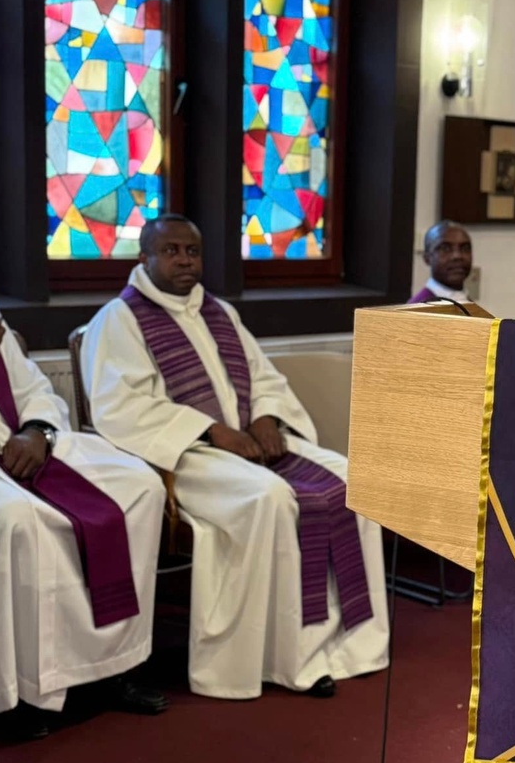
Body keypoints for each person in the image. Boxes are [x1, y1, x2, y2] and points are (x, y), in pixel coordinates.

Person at [79, 215, 390, 701]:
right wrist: (210, 430)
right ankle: (274, 658)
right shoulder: (118, 321)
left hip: (244, 441)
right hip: (182, 457)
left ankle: (348, 643)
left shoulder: (219, 312)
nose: (184, 260)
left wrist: (267, 417)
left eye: (192, 251)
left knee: (350, 479)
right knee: (268, 497)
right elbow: (121, 408)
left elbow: (263, 376)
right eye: (171, 251)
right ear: (144, 258)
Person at [0, 215, 168, 740]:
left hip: (16, 443)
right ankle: (17, 696)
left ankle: (117, 666)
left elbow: (31, 388)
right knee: (14, 519)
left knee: (142, 487)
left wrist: (37, 434)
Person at [409, 221, 473, 304]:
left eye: (465, 248)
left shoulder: (468, 303)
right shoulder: (416, 308)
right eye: (445, 248)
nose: (457, 256)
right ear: (427, 258)